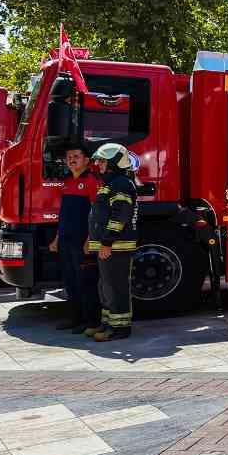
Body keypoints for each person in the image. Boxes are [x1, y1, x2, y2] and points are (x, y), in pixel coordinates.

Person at [86, 142, 139, 341]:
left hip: (116, 246)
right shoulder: (111, 183)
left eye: (102, 161)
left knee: (115, 287)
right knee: (106, 286)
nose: (98, 164)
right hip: (109, 246)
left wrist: (107, 242)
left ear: (114, 163)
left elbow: (121, 215)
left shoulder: (120, 184)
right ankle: (108, 323)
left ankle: (120, 328)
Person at [49, 143, 100, 332]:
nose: (71, 160)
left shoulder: (92, 181)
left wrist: (90, 239)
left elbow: (96, 213)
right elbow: (63, 214)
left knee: (85, 281)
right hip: (65, 239)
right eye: (69, 157)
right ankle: (74, 318)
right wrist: (56, 239)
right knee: (70, 280)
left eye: (76, 156)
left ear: (87, 160)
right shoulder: (67, 181)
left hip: (82, 240)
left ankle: (91, 321)